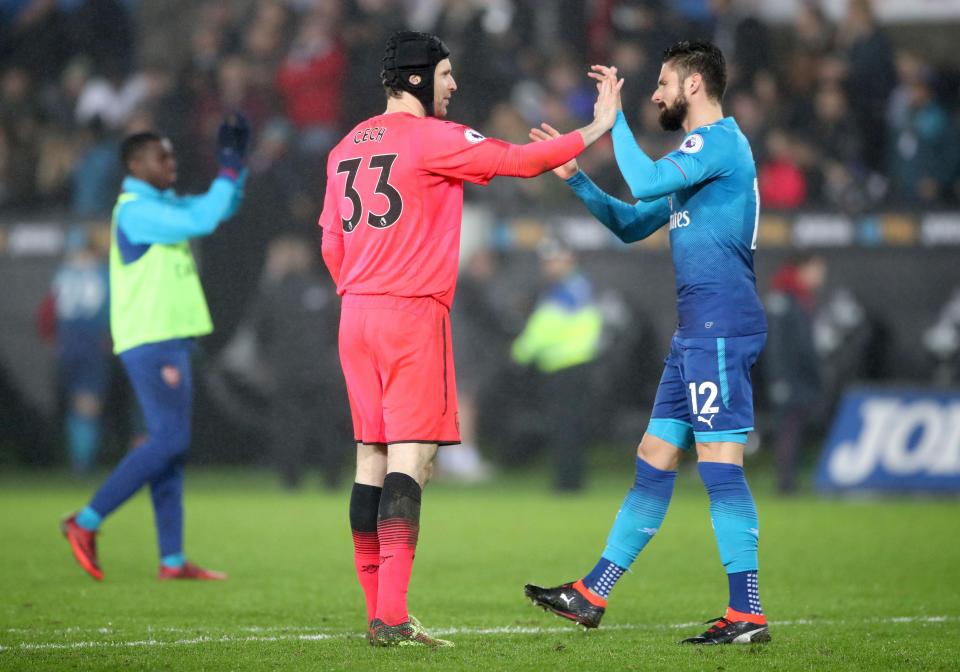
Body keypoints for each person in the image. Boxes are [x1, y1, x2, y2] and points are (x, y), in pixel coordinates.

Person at [318, 30, 620, 647]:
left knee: (369, 460)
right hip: (409, 315)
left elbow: (330, 243)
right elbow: (520, 160)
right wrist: (598, 126)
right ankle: (392, 617)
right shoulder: (432, 138)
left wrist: (362, 289)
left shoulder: (345, 145)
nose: (453, 85)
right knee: (412, 461)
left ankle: (379, 611)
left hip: (355, 313)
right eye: (446, 75)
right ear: (415, 80)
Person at [523, 40, 771, 645]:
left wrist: (612, 122)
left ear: (692, 85)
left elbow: (645, 176)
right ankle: (592, 593)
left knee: (719, 467)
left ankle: (748, 612)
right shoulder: (698, 159)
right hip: (696, 334)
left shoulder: (717, 144)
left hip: (722, 326)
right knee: (654, 458)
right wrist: (578, 179)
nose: (656, 94)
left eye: (661, 83)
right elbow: (634, 222)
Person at [60, 113, 250, 581]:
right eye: (161, 156)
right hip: (152, 339)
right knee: (169, 440)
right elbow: (206, 217)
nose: (172, 162)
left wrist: (235, 167)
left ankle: (171, 559)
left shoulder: (162, 205)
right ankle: (85, 521)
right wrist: (225, 174)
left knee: (170, 448)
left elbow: (217, 209)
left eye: (172, 154)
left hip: (166, 338)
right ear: (135, 163)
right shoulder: (137, 211)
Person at [511, 238, 604, 492]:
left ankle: (567, 484)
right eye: (547, 261)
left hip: (565, 366)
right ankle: (571, 482)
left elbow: (544, 328)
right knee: (571, 427)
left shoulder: (565, 290)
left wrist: (520, 353)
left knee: (565, 428)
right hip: (576, 364)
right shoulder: (580, 286)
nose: (549, 266)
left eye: (554, 260)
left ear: (569, 259)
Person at [38, 226, 112, 473]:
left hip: (66, 344)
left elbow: (47, 314)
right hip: (90, 343)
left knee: (73, 403)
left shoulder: (62, 274)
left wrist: (52, 340)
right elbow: (111, 309)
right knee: (88, 403)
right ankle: (82, 463)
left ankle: (76, 459)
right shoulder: (102, 273)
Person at [765, 253, 827, 493]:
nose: (821, 275)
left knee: (796, 427)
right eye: (817, 268)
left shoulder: (800, 297)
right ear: (803, 268)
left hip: (801, 377)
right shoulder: (783, 297)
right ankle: (785, 482)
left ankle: (790, 479)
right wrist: (778, 379)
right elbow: (777, 344)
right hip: (789, 378)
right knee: (788, 428)